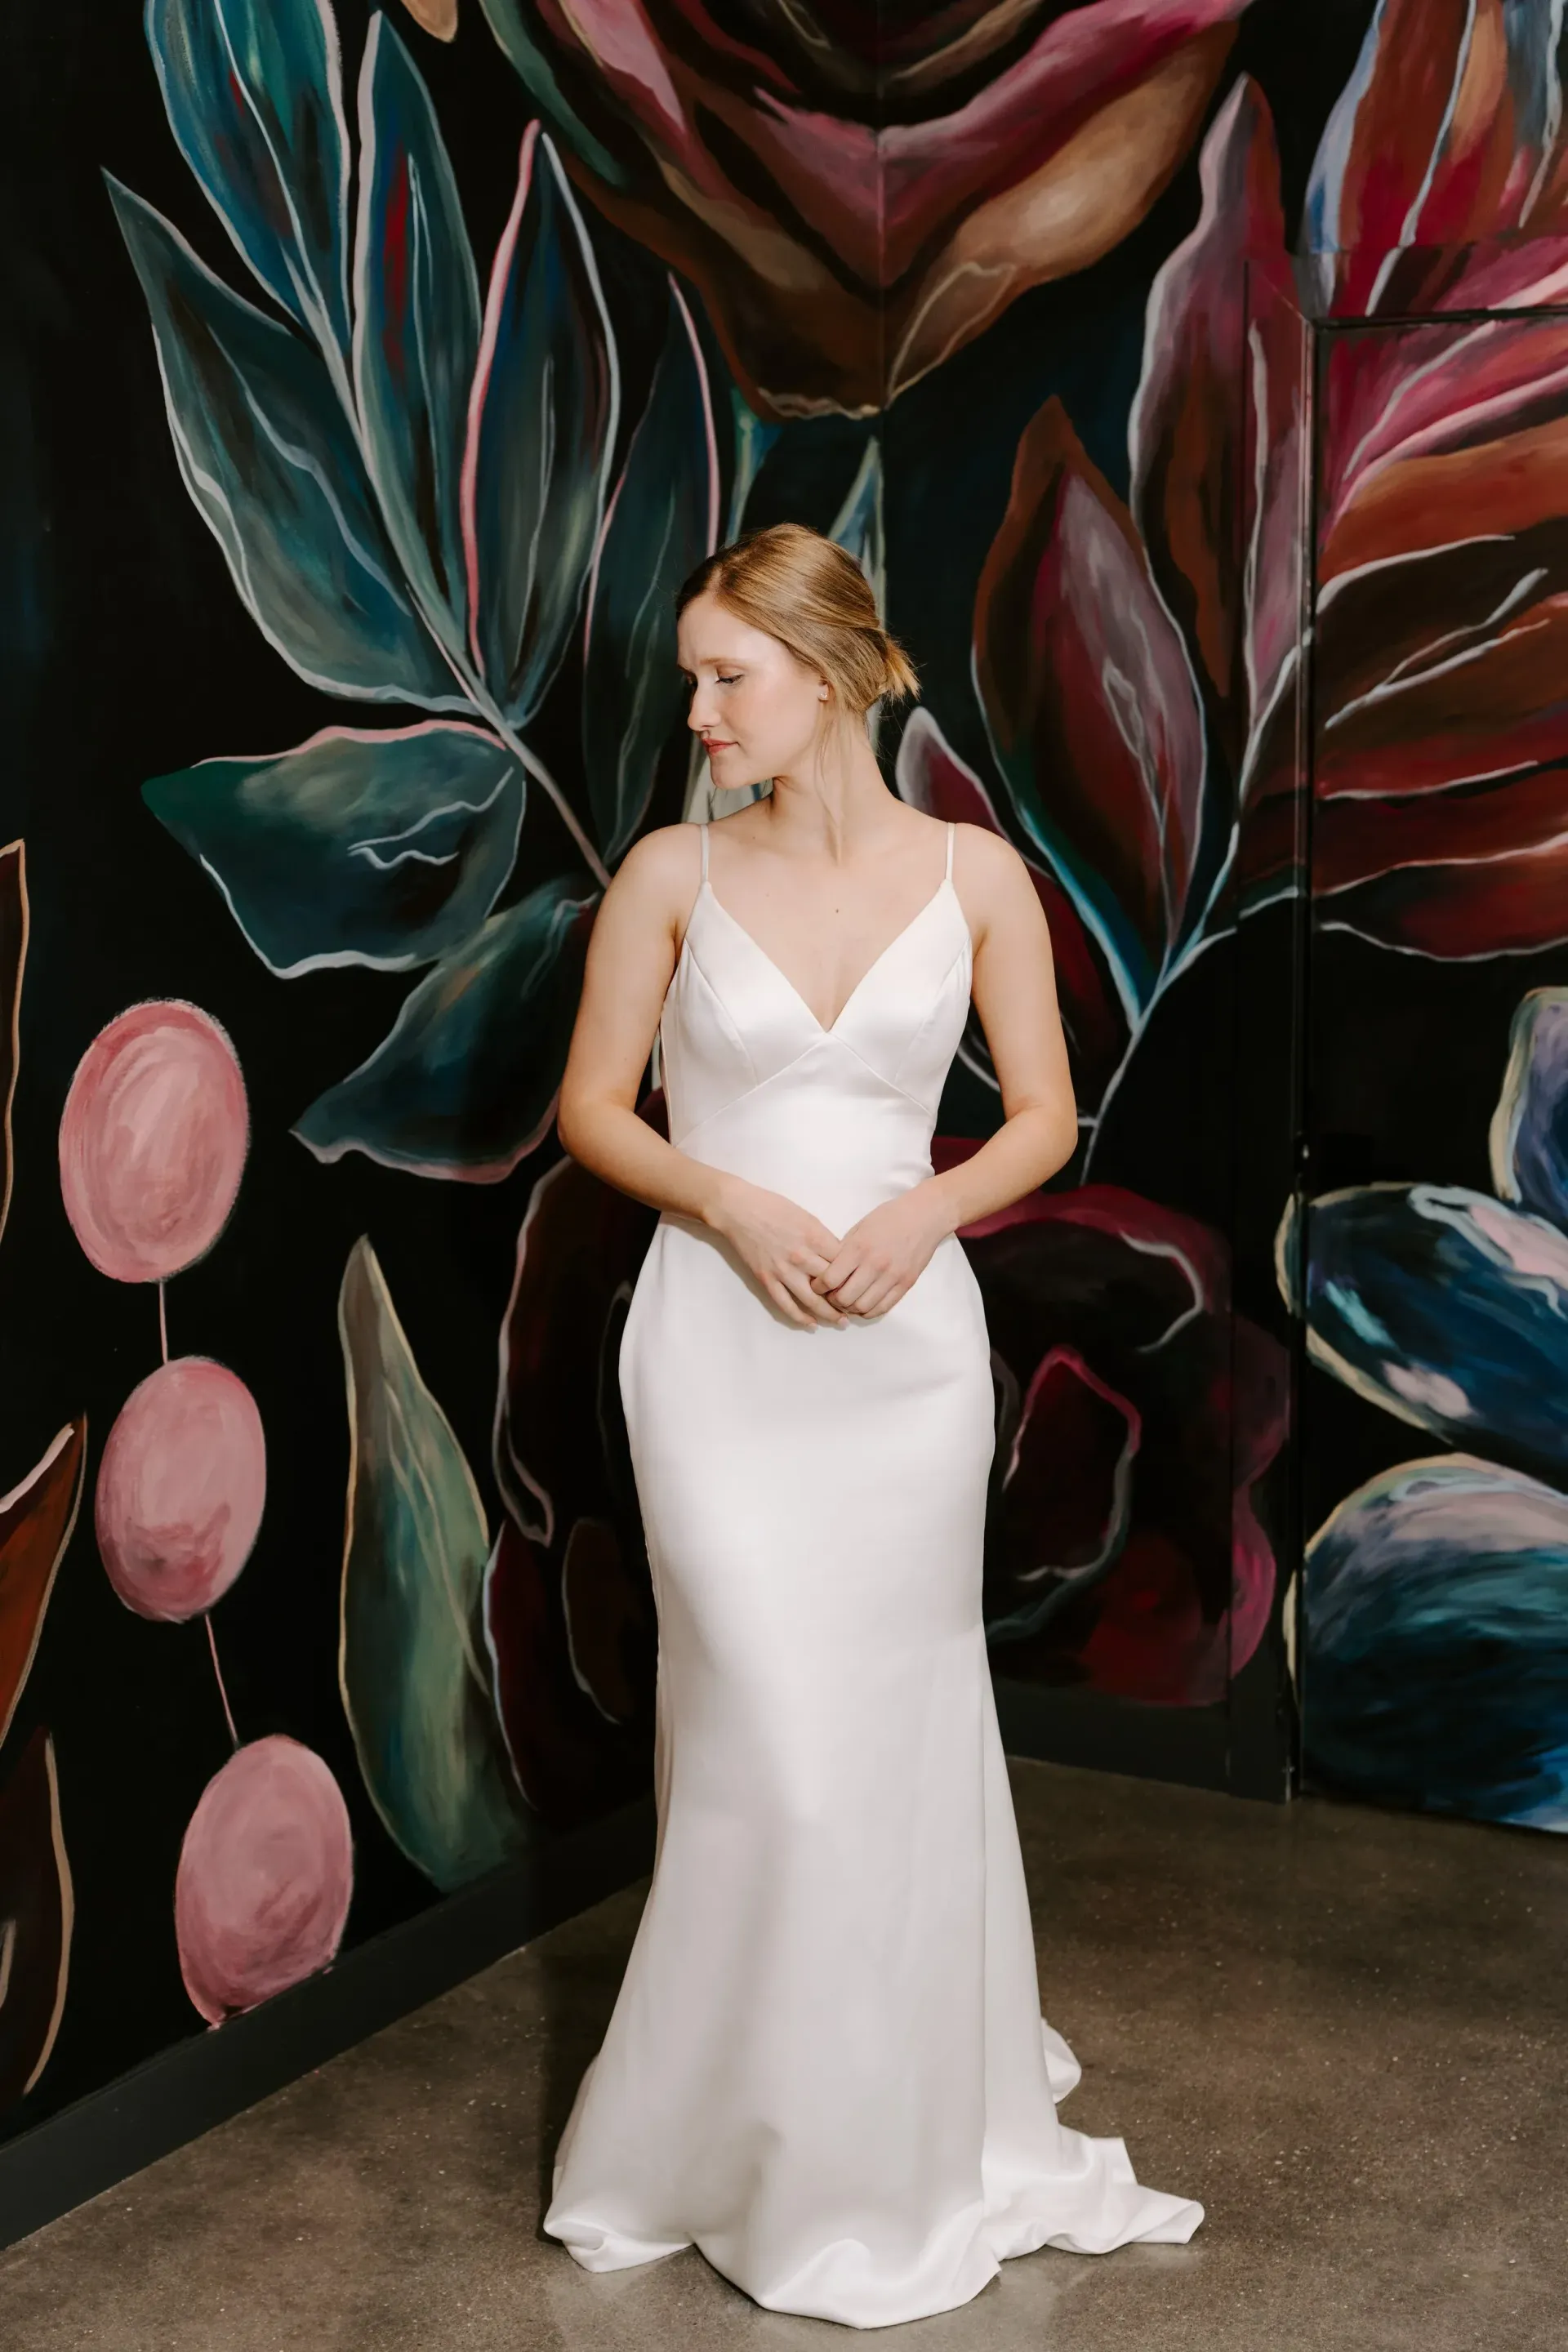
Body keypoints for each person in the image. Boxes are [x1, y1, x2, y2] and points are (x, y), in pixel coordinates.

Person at [543, 522, 1204, 2327]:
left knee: (887, 1736)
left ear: (823, 677)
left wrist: (918, 1217)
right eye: (696, 680)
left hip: (904, 1356)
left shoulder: (974, 875)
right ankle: (732, 2135)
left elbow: (1044, 1119)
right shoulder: (669, 878)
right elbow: (595, 1107)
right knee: (764, 1733)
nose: (696, 714)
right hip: (719, 1354)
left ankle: (883, 2127)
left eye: (724, 679)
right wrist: (731, 1205)